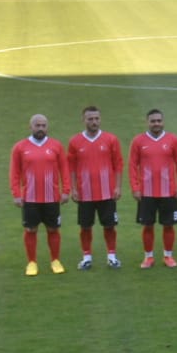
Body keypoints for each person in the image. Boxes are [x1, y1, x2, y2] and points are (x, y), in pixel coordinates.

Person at [10, 113, 70, 276]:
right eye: (37, 125)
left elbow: (64, 169)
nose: (40, 128)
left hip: (52, 197)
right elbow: (14, 172)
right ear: (30, 127)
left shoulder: (56, 146)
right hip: (30, 198)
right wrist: (16, 193)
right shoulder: (20, 147)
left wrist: (66, 190)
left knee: (53, 229)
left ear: (47, 127)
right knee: (30, 230)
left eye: (43, 125)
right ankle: (32, 262)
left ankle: (55, 260)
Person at [129, 108, 177, 268]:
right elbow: (132, 165)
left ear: (163, 122)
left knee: (169, 225)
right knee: (147, 225)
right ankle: (148, 257)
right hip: (146, 192)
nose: (156, 124)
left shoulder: (173, 140)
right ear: (147, 122)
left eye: (159, 121)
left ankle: (168, 256)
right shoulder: (138, 141)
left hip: (168, 191)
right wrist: (135, 187)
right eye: (153, 121)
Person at [67, 104, 123, 269]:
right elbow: (71, 167)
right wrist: (73, 188)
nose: (94, 122)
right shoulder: (75, 141)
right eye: (90, 119)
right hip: (85, 193)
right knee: (85, 226)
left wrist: (118, 187)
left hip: (107, 192)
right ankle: (87, 257)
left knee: (110, 225)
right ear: (83, 120)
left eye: (97, 118)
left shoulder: (111, 139)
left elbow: (118, 164)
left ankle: (112, 256)